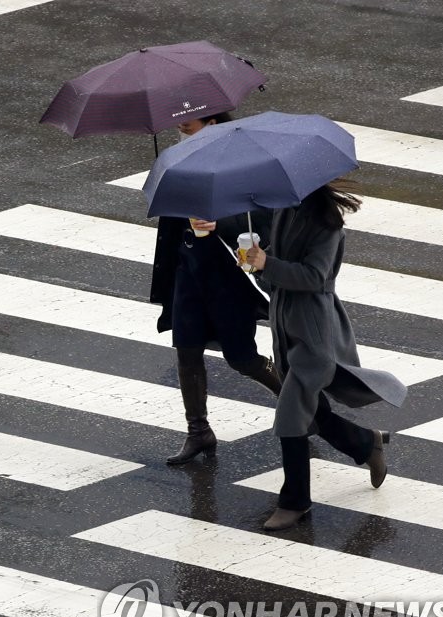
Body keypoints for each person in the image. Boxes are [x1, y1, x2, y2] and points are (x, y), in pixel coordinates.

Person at [245, 180, 406, 530]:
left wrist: (267, 262)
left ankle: (295, 501)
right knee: (312, 412)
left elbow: (316, 276)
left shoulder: (327, 224)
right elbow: (277, 271)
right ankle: (366, 443)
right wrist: (258, 261)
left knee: (290, 417)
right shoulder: (285, 210)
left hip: (314, 333)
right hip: (285, 325)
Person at [150, 111, 282, 465]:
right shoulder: (178, 159)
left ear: (213, 121)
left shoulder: (240, 161)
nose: (182, 121)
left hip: (227, 279)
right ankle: (199, 432)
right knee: (187, 352)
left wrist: (219, 222)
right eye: (179, 115)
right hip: (187, 274)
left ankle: (301, 407)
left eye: (192, 116)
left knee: (242, 358)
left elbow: (261, 220)